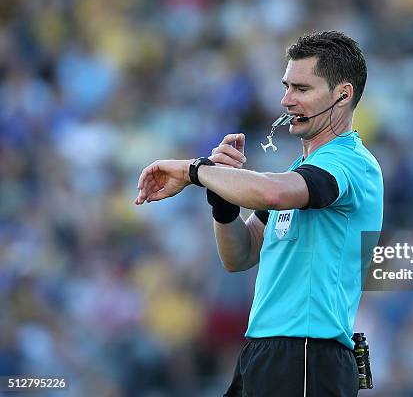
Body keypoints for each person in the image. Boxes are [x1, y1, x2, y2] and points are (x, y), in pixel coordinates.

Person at [134, 31, 383, 397]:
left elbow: (272, 192)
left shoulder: (348, 163)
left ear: (342, 95)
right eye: (286, 86)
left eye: (301, 88)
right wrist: (222, 198)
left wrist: (194, 171)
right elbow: (240, 254)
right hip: (266, 350)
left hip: (306, 353)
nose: (285, 99)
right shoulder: (301, 170)